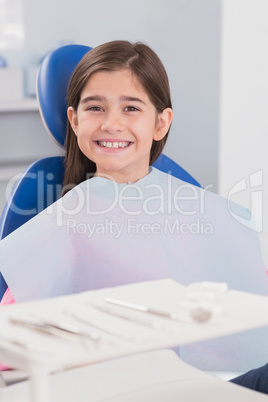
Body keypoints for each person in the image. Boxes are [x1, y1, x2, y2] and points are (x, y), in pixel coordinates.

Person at [0, 41, 268, 392]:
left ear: (161, 122)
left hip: (211, 380)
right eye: (95, 107)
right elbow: (13, 335)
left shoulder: (199, 208)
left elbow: (249, 288)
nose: (112, 123)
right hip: (122, 386)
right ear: (74, 120)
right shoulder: (59, 223)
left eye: (131, 108)